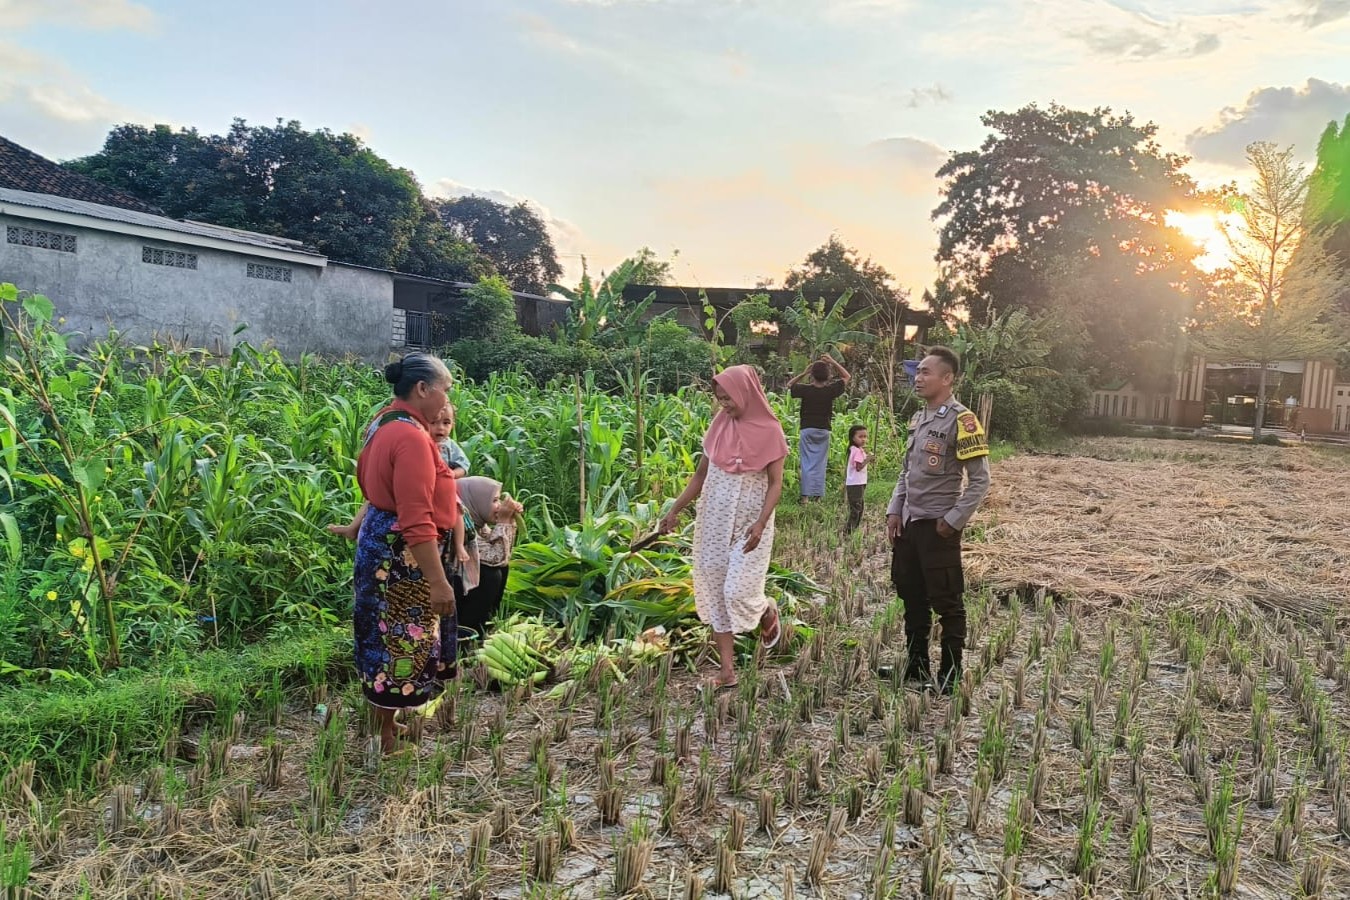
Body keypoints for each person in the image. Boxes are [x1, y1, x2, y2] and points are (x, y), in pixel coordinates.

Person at [336, 352, 461, 753]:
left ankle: (384, 724)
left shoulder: (384, 421)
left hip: (381, 545)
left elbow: (379, 491)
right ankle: (384, 739)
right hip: (401, 559)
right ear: (422, 389)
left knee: (380, 638)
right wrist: (438, 582)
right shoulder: (411, 438)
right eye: (445, 390)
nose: (447, 400)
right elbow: (416, 520)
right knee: (399, 642)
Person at [659, 365, 788, 691]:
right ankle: (727, 672)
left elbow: (776, 484)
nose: (724, 404)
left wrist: (761, 522)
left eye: (728, 398)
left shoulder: (771, 431)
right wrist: (674, 511)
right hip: (714, 520)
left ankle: (765, 610)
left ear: (745, 392)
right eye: (720, 398)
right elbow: (700, 476)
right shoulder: (719, 425)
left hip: (749, 524)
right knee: (716, 592)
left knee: (736, 591)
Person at [885, 347, 991, 695]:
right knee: (912, 597)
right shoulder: (919, 418)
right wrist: (894, 509)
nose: (918, 378)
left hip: (937, 526)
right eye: (917, 372)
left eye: (926, 372)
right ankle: (916, 667)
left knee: (947, 602)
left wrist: (953, 520)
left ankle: (950, 673)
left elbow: (980, 480)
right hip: (910, 523)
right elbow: (907, 472)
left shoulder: (963, 420)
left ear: (947, 378)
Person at [455, 476, 525, 641]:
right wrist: (504, 520)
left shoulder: (479, 525)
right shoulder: (462, 525)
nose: (499, 505)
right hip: (452, 590)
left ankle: (483, 624)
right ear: (475, 501)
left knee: (501, 569)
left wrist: (509, 521)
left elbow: (502, 558)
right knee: (490, 575)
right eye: (494, 500)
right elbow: (495, 557)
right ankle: (467, 631)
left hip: (460, 587)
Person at [788, 355, 850, 502]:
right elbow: (847, 376)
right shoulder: (831, 390)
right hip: (823, 430)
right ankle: (817, 496)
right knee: (820, 464)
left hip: (807, 429)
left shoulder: (805, 389)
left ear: (812, 375)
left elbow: (790, 385)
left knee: (806, 463)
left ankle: (805, 497)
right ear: (828, 376)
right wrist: (832, 361)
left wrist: (804, 373)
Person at [844, 424, 869, 534]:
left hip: (858, 483)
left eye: (865, 437)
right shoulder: (857, 451)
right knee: (857, 508)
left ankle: (853, 530)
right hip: (856, 483)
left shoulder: (856, 449)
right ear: (853, 438)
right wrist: (868, 459)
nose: (863, 439)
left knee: (859, 507)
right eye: (860, 437)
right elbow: (859, 467)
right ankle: (849, 531)